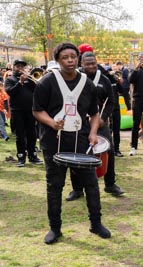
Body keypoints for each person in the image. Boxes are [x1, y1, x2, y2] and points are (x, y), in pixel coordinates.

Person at [32, 42, 111, 244]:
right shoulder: (46, 82)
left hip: (81, 140)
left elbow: (94, 113)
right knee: (54, 185)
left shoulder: (87, 83)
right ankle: (55, 228)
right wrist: (51, 122)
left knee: (91, 184)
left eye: (73, 57)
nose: (70, 60)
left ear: (78, 59)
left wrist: (93, 133)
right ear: (58, 60)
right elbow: (37, 110)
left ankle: (96, 224)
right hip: (54, 142)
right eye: (65, 57)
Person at [66, 51, 124, 201]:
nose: (91, 66)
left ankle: (110, 184)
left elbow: (110, 101)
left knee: (108, 150)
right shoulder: (75, 78)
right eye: (88, 63)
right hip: (79, 122)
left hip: (99, 121)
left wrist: (102, 118)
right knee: (76, 153)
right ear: (82, 64)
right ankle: (77, 189)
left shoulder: (104, 79)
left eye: (93, 63)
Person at [5, 59, 42, 167]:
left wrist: (32, 80)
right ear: (13, 67)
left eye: (22, 67)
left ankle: (33, 155)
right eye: (18, 66)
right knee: (20, 135)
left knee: (32, 134)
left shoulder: (29, 79)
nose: (20, 69)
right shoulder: (10, 80)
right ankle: (21, 157)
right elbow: (11, 92)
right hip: (17, 111)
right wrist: (20, 82)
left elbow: (38, 88)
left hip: (30, 110)